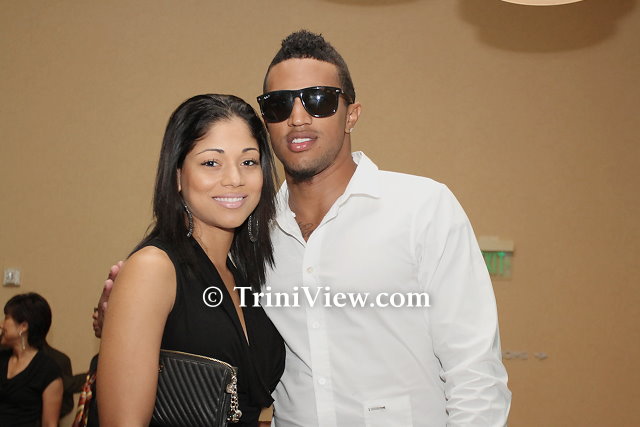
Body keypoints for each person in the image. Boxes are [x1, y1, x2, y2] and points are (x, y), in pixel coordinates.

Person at [99, 30, 511, 426]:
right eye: (279, 105)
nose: (297, 117)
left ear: (352, 114)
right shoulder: (251, 238)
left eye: (319, 100)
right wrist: (128, 321)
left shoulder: (422, 208)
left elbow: (475, 372)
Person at [96, 94, 285, 427]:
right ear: (178, 175)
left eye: (249, 161)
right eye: (211, 162)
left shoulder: (243, 273)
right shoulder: (154, 268)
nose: (234, 178)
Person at [0, 292, 64, 427]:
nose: (1, 324)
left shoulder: (47, 370)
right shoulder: (2, 358)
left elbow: (49, 423)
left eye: (6, 318)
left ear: (23, 326)